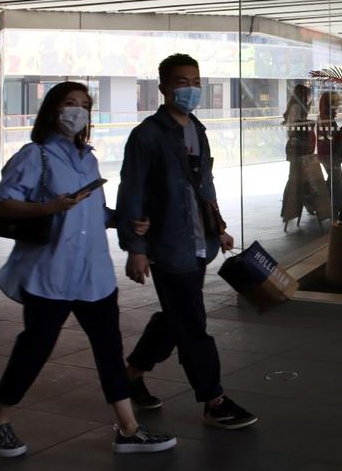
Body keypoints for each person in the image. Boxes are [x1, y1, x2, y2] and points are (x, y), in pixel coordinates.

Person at [0, 81, 176, 457]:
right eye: (70, 103)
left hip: (93, 274)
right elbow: (1, 202)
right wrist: (47, 208)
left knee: (109, 349)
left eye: (84, 105)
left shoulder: (88, 159)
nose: (78, 111)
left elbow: (93, 213)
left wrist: (124, 221)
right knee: (35, 348)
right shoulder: (35, 155)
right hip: (49, 272)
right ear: (53, 110)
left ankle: (129, 428)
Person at [115, 53, 258, 430]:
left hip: (198, 243)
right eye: (181, 82)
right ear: (163, 87)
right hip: (168, 246)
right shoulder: (146, 135)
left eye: (195, 81)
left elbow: (203, 185)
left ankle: (131, 374)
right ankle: (214, 400)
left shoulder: (197, 129)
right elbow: (131, 193)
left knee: (176, 317)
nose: (190, 89)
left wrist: (218, 227)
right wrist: (136, 248)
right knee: (192, 324)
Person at [280, 83, 316, 231]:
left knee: (298, 179)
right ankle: (288, 209)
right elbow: (296, 127)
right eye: (307, 95)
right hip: (297, 149)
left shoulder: (297, 108)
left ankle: (303, 206)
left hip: (297, 148)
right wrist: (309, 123)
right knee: (295, 179)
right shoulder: (297, 108)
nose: (308, 98)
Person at [315, 91, 342, 211]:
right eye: (335, 102)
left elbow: (332, 136)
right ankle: (336, 208)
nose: (338, 104)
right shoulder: (327, 119)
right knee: (337, 182)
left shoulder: (324, 117)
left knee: (332, 181)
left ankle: (320, 203)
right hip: (330, 155)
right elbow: (333, 137)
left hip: (326, 154)